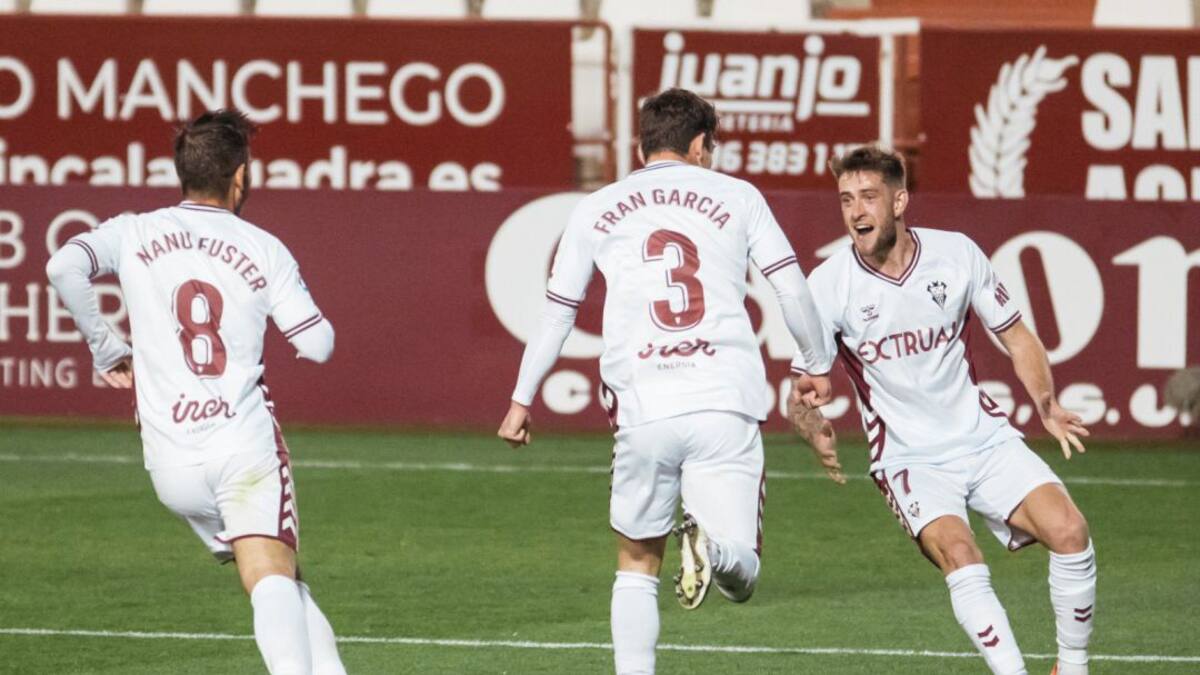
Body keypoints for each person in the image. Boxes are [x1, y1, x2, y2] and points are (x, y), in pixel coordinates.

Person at [496, 88, 834, 675]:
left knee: (636, 560)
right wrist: (815, 361)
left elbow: (558, 313)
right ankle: (717, 548)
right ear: (702, 146)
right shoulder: (739, 196)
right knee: (741, 577)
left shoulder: (598, 207)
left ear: (640, 144)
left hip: (645, 403)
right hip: (724, 399)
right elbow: (791, 286)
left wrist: (521, 398)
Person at [46, 110, 346, 675]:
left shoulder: (134, 231)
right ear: (239, 175)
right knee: (270, 577)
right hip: (241, 445)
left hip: (170, 462)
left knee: (283, 580)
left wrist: (105, 346)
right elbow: (320, 344)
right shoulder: (263, 247)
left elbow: (64, 266)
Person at [790, 146, 1095, 675]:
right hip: (909, 459)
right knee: (961, 554)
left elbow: (1018, 337)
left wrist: (1045, 404)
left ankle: (1072, 666)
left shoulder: (956, 255)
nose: (857, 212)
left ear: (900, 199)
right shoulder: (826, 286)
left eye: (869, 197)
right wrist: (813, 423)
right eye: (846, 200)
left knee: (1070, 532)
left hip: (982, 438)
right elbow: (805, 384)